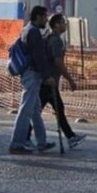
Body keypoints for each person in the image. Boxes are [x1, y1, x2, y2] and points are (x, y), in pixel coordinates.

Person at [28, 14, 86, 150]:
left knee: (56, 109)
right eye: (63, 23)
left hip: (47, 81)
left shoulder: (48, 38)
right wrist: (70, 80)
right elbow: (58, 62)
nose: (65, 25)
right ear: (56, 25)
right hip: (49, 82)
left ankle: (70, 136)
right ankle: (25, 136)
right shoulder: (56, 41)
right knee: (38, 111)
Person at [9, 6, 56, 154]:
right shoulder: (33, 32)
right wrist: (47, 76)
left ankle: (41, 141)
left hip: (27, 73)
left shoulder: (26, 30)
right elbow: (39, 57)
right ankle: (16, 143)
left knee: (35, 110)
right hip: (32, 74)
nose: (46, 20)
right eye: (44, 17)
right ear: (37, 17)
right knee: (26, 110)